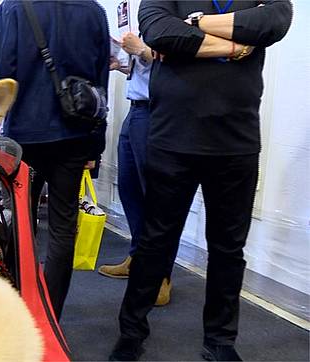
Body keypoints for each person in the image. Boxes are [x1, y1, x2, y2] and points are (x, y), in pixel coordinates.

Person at [109, 1, 292, 361]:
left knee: (227, 248)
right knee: (154, 242)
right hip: (172, 138)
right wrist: (234, 44)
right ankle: (131, 331)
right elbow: (159, 31)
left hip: (236, 142)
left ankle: (220, 340)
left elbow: (274, 22)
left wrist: (195, 23)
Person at [0, 0, 109, 320]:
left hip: (24, 137)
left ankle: (16, 304)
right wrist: (95, 147)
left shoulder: (13, 7)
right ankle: (51, 314)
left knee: (17, 222)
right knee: (63, 227)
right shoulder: (94, 11)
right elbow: (100, 86)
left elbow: (1, 72)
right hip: (74, 135)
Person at [100, 32, 171, 306]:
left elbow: (178, 65)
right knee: (129, 187)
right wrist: (124, 64)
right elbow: (149, 69)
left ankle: (161, 276)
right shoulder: (150, 17)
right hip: (137, 109)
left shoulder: (173, 17)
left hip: (158, 111)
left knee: (154, 195)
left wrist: (141, 50)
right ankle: (138, 257)